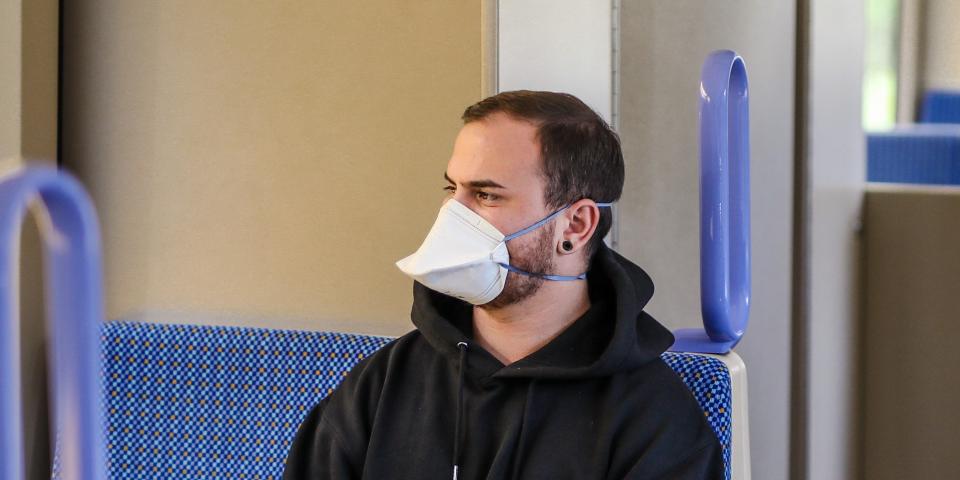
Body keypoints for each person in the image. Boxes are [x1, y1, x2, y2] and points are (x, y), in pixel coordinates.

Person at [283, 90, 724, 479]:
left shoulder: (656, 425)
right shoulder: (380, 387)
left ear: (575, 225)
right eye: (451, 189)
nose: (453, 216)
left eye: (487, 194)